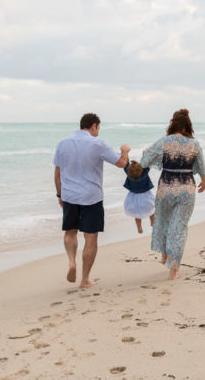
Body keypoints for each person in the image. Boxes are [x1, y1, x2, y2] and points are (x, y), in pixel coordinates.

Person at [54, 113, 130, 288]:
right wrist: (125, 150)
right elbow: (121, 163)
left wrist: (59, 195)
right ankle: (84, 279)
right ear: (94, 126)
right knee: (91, 238)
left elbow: (57, 173)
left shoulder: (63, 143)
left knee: (70, 232)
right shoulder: (98, 144)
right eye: (98, 128)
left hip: (70, 196)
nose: (97, 132)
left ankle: (72, 262)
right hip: (91, 197)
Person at [140, 109, 205, 280]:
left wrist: (146, 154)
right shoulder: (194, 144)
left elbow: (144, 162)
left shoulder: (164, 141)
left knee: (163, 221)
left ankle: (164, 255)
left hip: (165, 190)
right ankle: (174, 269)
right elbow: (202, 169)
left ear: (172, 124)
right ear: (188, 126)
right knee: (179, 228)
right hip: (186, 190)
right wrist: (204, 182)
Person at [122, 160, 155, 234]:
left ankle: (139, 227)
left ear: (128, 171)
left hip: (134, 198)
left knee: (137, 215)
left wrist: (126, 154)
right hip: (146, 197)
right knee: (152, 211)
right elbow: (147, 163)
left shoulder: (129, 174)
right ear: (142, 170)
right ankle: (152, 222)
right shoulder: (145, 173)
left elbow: (125, 164)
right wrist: (145, 154)